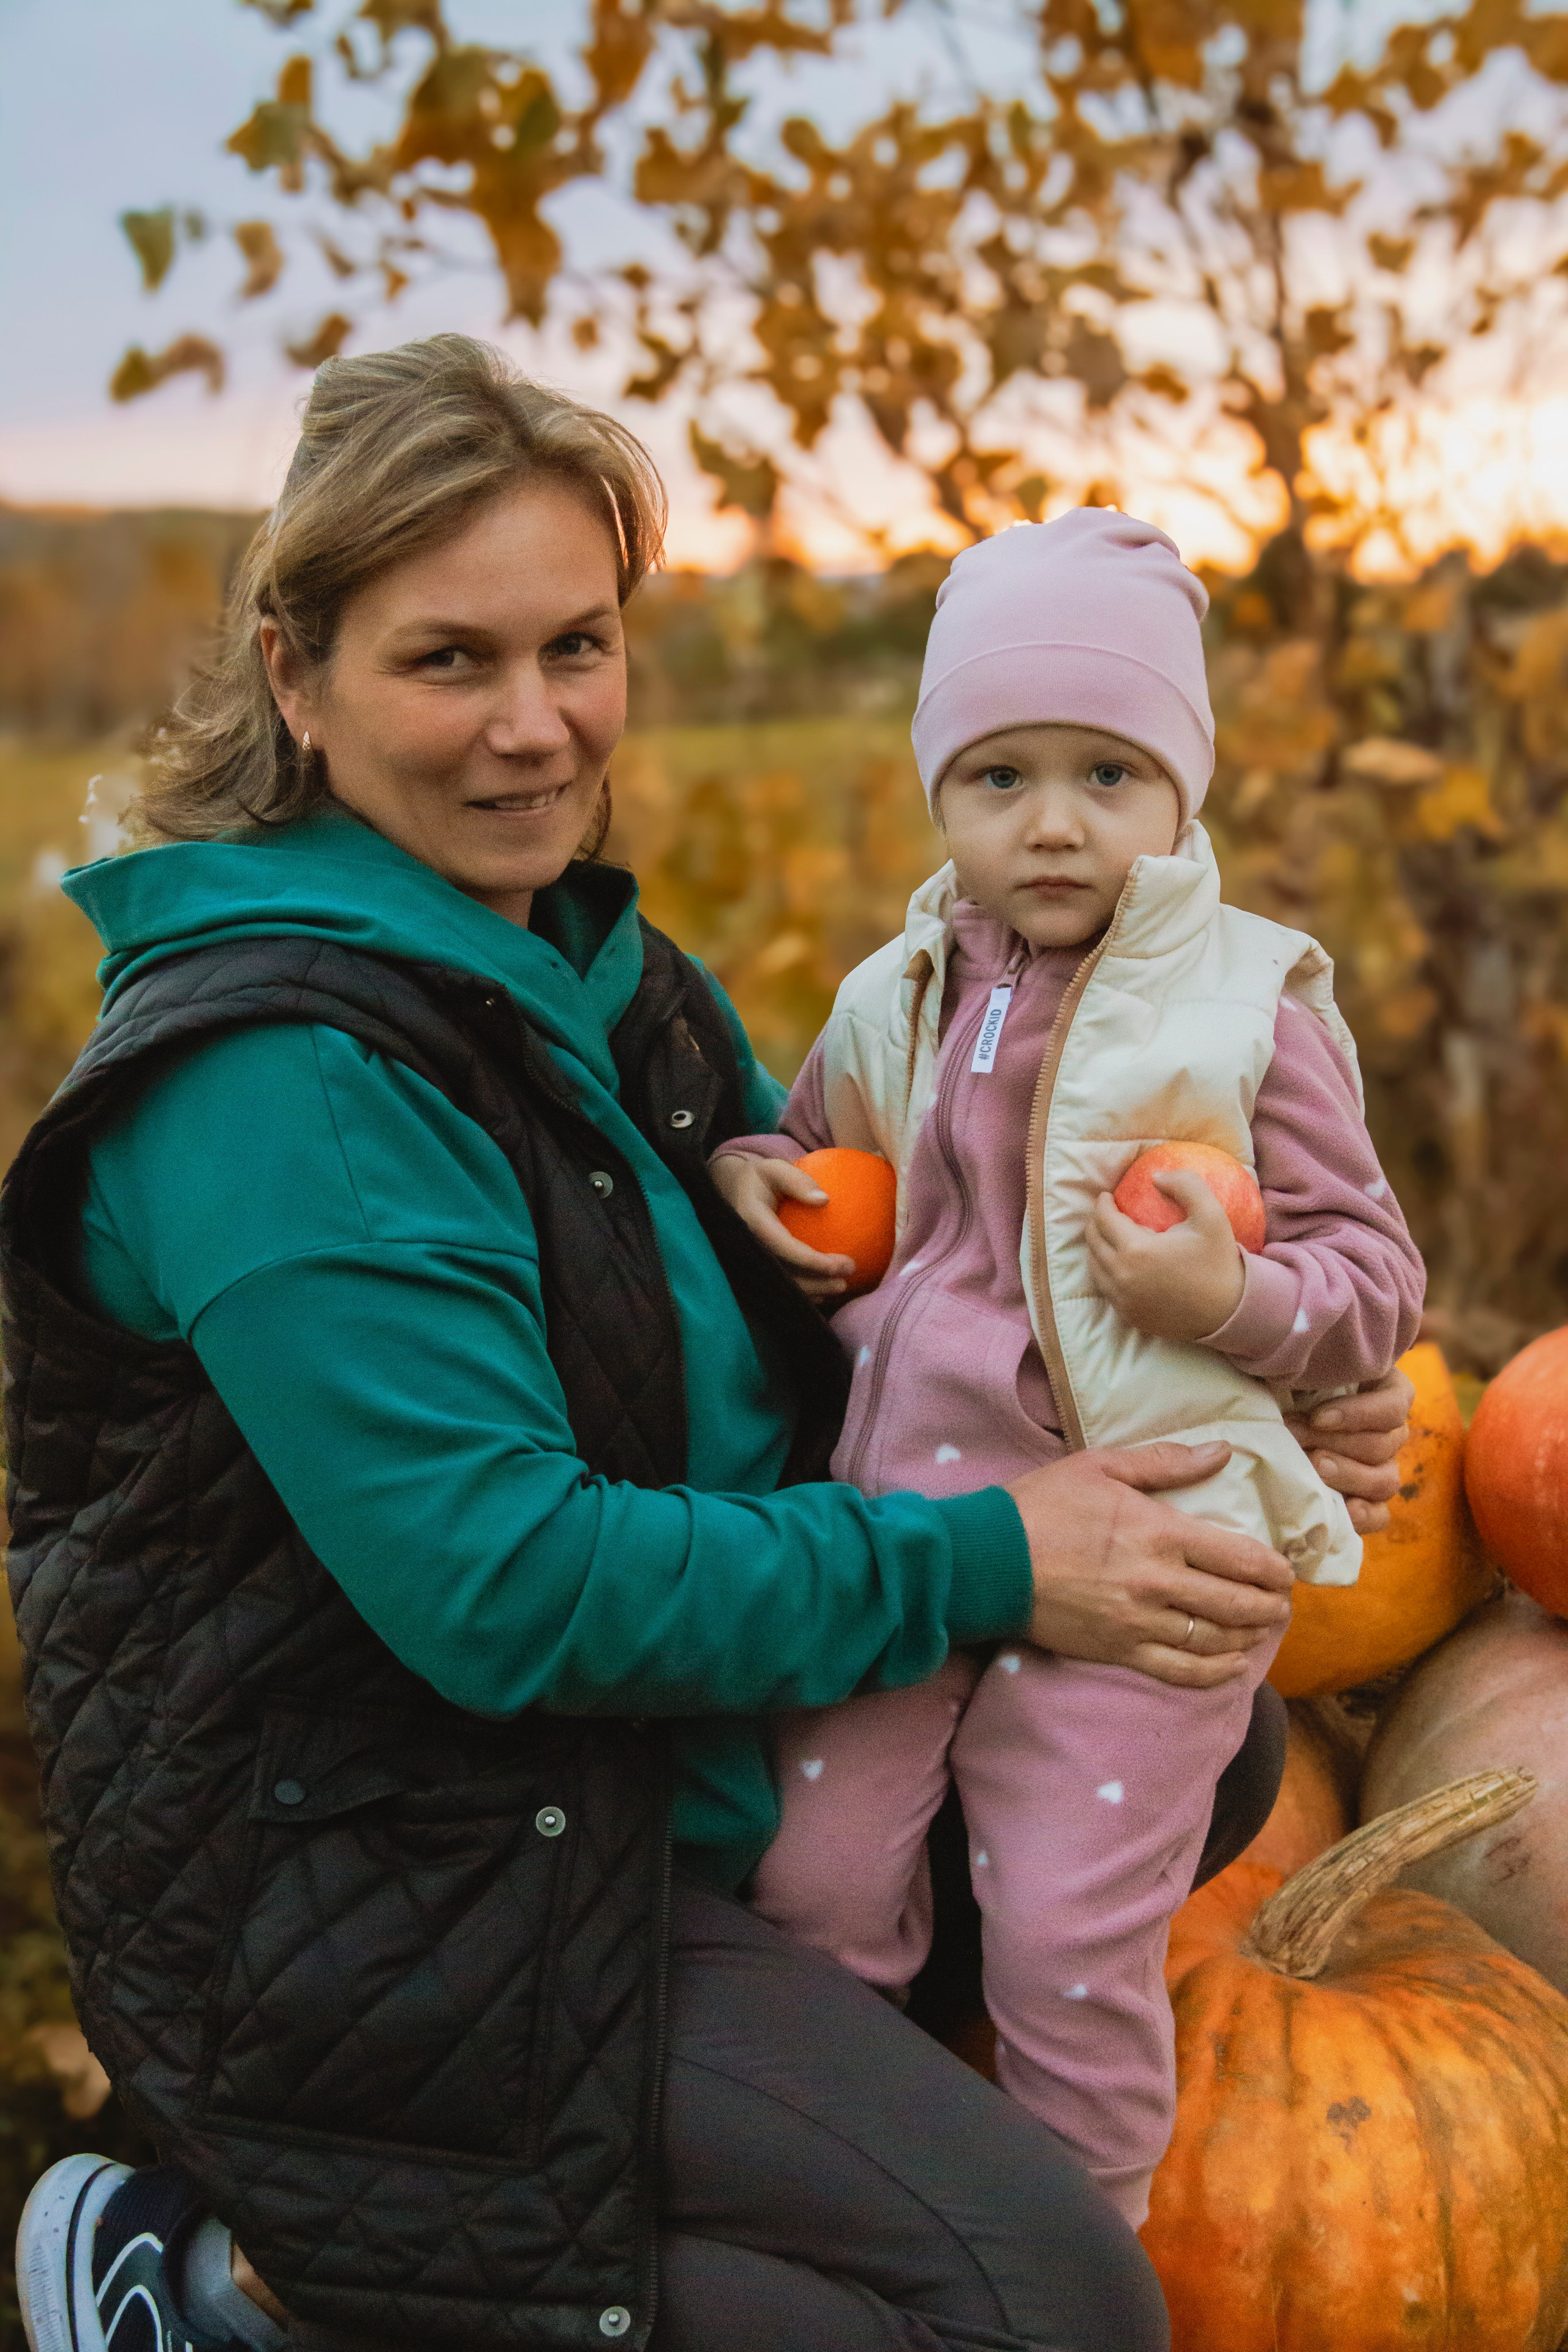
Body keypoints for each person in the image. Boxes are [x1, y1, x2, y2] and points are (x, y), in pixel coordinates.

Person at [0, 339, 1412, 2352]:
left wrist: (1249, 1379)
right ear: (296, 677)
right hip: (402, 1879)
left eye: (575, 646)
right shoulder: (282, 1088)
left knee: (1203, 1728)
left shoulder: (591, 972)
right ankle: (233, 2294)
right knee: (1046, 2306)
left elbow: (906, 1305)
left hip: (628, 1761)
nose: (534, 726)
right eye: (449, 660)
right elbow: (508, 1585)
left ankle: (755, 2186)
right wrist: (1002, 1553)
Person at [712, 510, 1424, 2228]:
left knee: (1060, 1929)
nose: (1052, 822)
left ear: (1180, 790)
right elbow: (810, 1143)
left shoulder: (1249, 1011)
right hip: (914, 1532)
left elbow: (1373, 1280)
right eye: (1001, 776)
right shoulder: (898, 992)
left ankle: (1075, 2245)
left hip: (1149, 1547)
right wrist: (759, 1180)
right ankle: (859, 2203)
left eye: (1109, 774)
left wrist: (1230, 1297)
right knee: (812, 1886)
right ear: (942, 793)